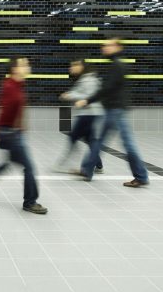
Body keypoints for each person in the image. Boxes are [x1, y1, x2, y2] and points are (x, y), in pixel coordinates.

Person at [0, 57, 48, 214]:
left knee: (7, 164)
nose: (27, 66)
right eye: (24, 64)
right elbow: (3, 112)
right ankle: (30, 202)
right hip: (10, 134)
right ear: (15, 69)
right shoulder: (10, 86)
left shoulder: (18, 85)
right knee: (29, 167)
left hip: (14, 133)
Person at [75, 38, 149, 187]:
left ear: (118, 47)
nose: (104, 47)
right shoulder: (118, 64)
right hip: (116, 108)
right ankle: (87, 170)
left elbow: (107, 88)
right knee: (104, 141)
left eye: (108, 45)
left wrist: (88, 100)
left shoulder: (117, 65)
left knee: (111, 142)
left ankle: (140, 176)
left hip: (115, 109)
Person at [55, 60, 104, 174]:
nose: (71, 68)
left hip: (89, 113)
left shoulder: (89, 79)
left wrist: (69, 95)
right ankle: (98, 165)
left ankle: (66, 164)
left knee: (73, 137)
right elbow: (81, 93)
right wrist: (69, 95)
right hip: (88, 113)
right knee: (90, 140)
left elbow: (89, 96)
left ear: (82, 66)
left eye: (74, 65)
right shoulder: (85, 78)